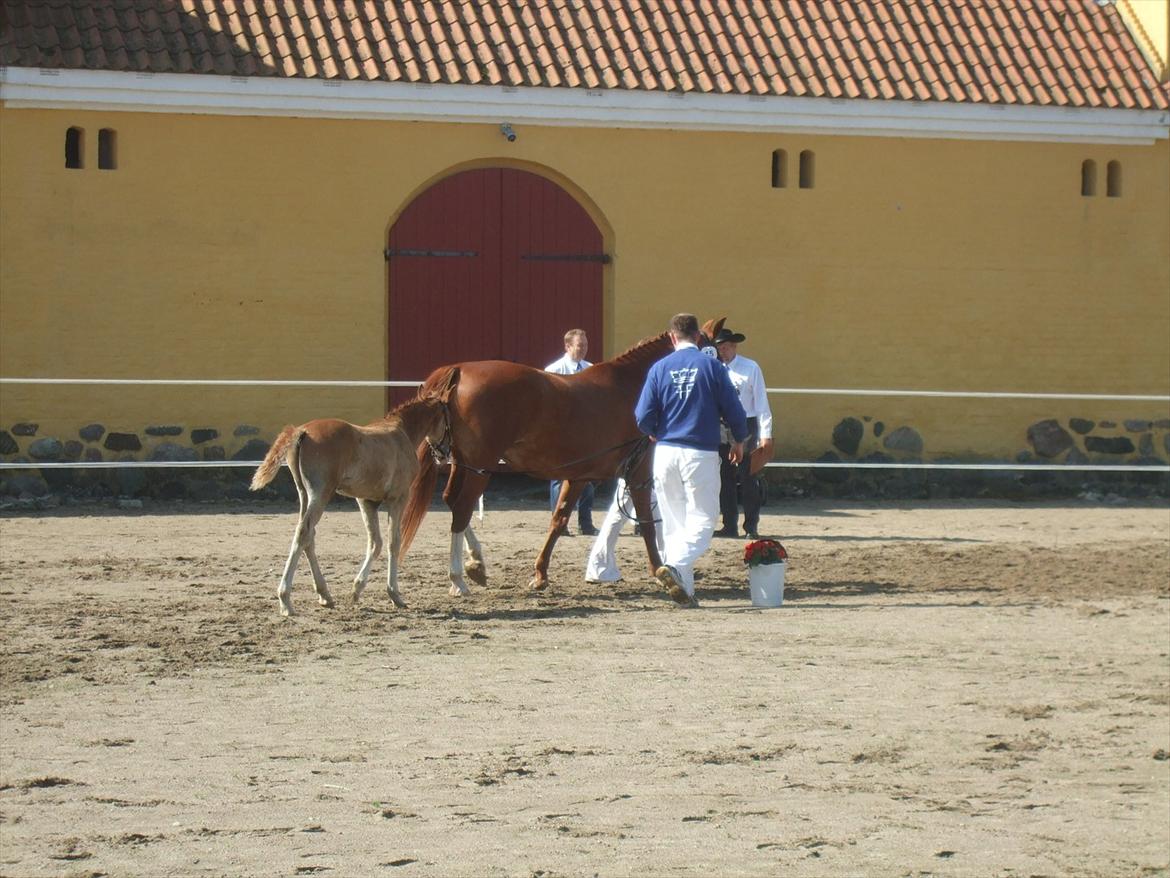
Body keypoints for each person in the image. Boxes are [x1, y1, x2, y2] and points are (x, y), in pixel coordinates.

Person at [634, 313, 747, 607]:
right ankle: (674, 566)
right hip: (699, 451)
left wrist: (653, 430)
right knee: (704, 520)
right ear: (698, 337)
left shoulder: (659, 368)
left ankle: (685, 591)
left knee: (674, 522)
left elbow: (642, 415)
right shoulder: (712, 366)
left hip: (665, 450)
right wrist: (739, 438)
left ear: (672, 337)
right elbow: (733, 408)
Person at [711, 327, 774, 540]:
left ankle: (751, 526)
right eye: (720, 348)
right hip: (722, 424)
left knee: (748, 477)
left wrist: (765, 434)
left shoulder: (750, 368)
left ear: (734, 347)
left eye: (726, 347)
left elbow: (761, 403)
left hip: (747, 423)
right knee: (725, 477)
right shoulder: (713, 368)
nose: (723, 352)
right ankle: (729, 525)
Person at [545, 328, 597, 536]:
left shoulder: (590, 369)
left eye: (585, 345)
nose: (583, 349)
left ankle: (586, 522)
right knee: (559, 478)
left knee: (588, 478)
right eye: (579, 345)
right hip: (562, 431)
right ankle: (559, 522)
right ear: (568, 347)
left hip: (585, 432)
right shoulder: (554, 369)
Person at [584, 477, 664, 583]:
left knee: (617, 516)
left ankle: (599, 567)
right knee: (660, 517)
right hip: (642, 477)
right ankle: (667, 565)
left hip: (636, 476)